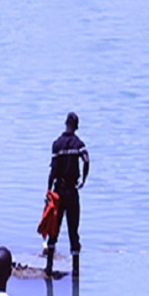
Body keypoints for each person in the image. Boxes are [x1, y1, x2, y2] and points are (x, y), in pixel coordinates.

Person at [45, 112, 90, 278]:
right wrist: (83, 180)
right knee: (73, 231)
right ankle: (76, 271)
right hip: (72, 192)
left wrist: (48, 190)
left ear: (65, 124)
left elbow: (53, 171)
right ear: (76, 126)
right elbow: (86, 159)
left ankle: (49, 267)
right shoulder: (78, 144)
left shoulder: (57, 144)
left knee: (54, 229)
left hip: (58, 192)